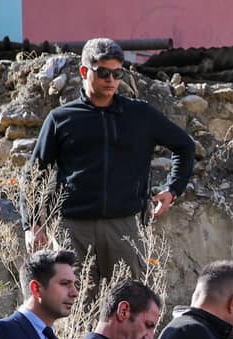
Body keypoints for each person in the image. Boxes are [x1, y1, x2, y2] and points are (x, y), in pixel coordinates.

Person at [29, 37, 196, 284]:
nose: (111, 80)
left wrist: (173, 191)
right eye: (104, 72)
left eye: (117, 73)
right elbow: (36, 171)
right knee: (75, 307)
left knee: (127, 304)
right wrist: (33, 224)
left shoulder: (140, 115)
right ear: (84, 71)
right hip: (72, 228)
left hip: (125, 226)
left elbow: (185, 146)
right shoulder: (61, 119)